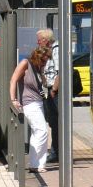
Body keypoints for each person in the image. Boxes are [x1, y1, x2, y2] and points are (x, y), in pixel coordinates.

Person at [9, 47, 52, 173]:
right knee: (42, 130)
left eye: (46, 61)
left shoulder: (39, 68)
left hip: (38, 102)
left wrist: (42, 70)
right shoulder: (25, 63)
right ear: (37, 57)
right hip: (29, 103)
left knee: (37, 132)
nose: (44, 63)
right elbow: (13, 80)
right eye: (43, 61)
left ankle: (37, 164)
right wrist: (13, 99)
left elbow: (43, 84)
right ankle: (35, 164)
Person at [37, 28, 60, 164]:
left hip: (54, 91)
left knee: (55, 122)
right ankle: (55, 151)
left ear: (46, 40)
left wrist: (54, 90)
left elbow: (60, 72)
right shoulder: (47, 50)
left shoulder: (56, 49)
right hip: (49, 90)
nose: (38, 42)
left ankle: (56, 152)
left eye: (39, 40)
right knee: (51, 121)